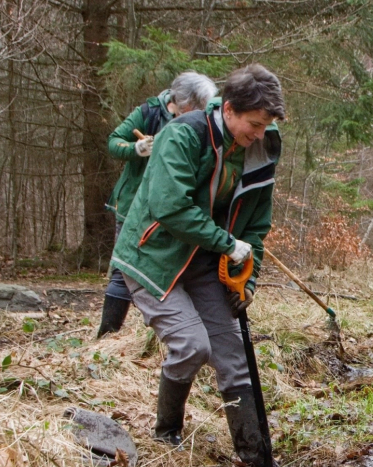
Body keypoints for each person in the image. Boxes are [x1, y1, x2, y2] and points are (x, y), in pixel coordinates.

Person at [110, 64, 286, 466]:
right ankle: (167, 432)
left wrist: (249, 279)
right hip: (152, 257)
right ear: (229, 109)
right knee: (192, 346)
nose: (259, 134)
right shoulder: (184, 134)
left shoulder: (261, 147)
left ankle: (254, 455)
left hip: (203, 261)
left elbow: (256, 226)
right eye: (254, 124)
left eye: (266, 126)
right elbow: (170, 207)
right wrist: (227, 244)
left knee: (233, 358)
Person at [98, 72, 218, 338]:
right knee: (123, 270)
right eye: (197, 107)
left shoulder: (200, 124)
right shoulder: (150, 112)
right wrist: (137, 149)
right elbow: (114, 142)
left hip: (167, 206)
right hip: (134, 204)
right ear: (184, 102)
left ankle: (169, 330)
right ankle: (107, 335)